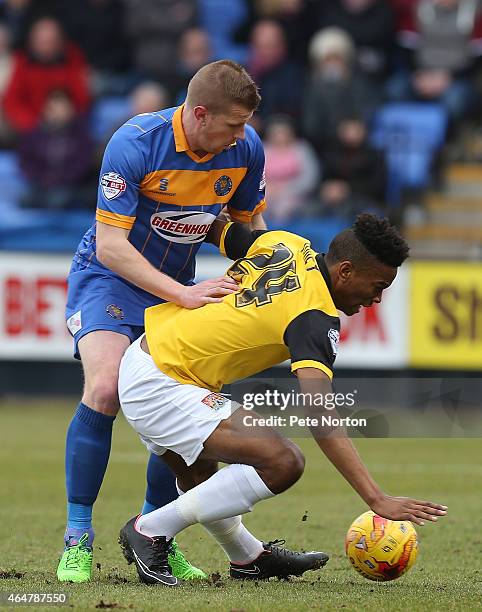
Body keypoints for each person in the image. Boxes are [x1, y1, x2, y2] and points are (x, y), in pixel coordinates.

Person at [117, 213, 447, 586]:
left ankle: (249, 558)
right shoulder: (314, 316)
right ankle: (150, 529)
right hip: (162, 382)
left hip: (150, 357)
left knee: (200, 479)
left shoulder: (287, 243)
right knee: (284, 461)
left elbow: (215, 228)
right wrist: (376, 498)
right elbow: (320, 413)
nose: (377, 298)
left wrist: (152, 215)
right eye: (378, 285)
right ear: (345, 271)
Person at [57, 59, 267, 584]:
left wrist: (260, 277)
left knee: (172, 414)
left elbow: (247, 228)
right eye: (234, 123)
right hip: (109, 278)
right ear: (199, 114)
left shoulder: (245, 150)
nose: (242, 134)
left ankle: (157, 536)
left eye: (245, 124)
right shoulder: (136, 142)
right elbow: (110, 246)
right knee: (105, 389)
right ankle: (77, 538)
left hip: (177, 287)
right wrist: (184, 294)